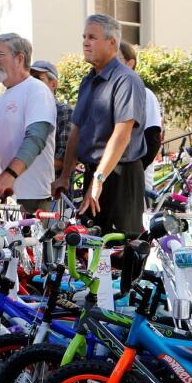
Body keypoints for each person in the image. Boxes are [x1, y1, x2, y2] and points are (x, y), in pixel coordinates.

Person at [51, 14, 148, 235]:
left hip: (121, 176)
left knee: (120, 248)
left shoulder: (126, 80)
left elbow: (122, 134)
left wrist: (100, 178)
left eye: (92, 37)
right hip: (94, 175)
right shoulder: (87, 81)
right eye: (84, 36)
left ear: (112, 42)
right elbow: (77, 130)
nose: (86, 42)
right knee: (89, 245)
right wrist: (65, 176)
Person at [0, 33, 56, 215]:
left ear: (19, 58)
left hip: (28, 198)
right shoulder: (1, 99)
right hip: (2, 196)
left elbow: (36, 138)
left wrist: (9, 175)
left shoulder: (37, 90)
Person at [118, 41, 163, 182]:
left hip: (134, 178)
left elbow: (153, 139)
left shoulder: (145, 94)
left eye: (116, 59)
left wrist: (134, 170)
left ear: (130, 63)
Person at [29, 60, 72, 176]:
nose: (32, 83)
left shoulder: (64, 112)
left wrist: (23, 169)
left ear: (53, 84)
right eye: (29, 79)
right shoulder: (26, 111)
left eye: (38, 78)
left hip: (53, 187)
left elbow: (64, 158)